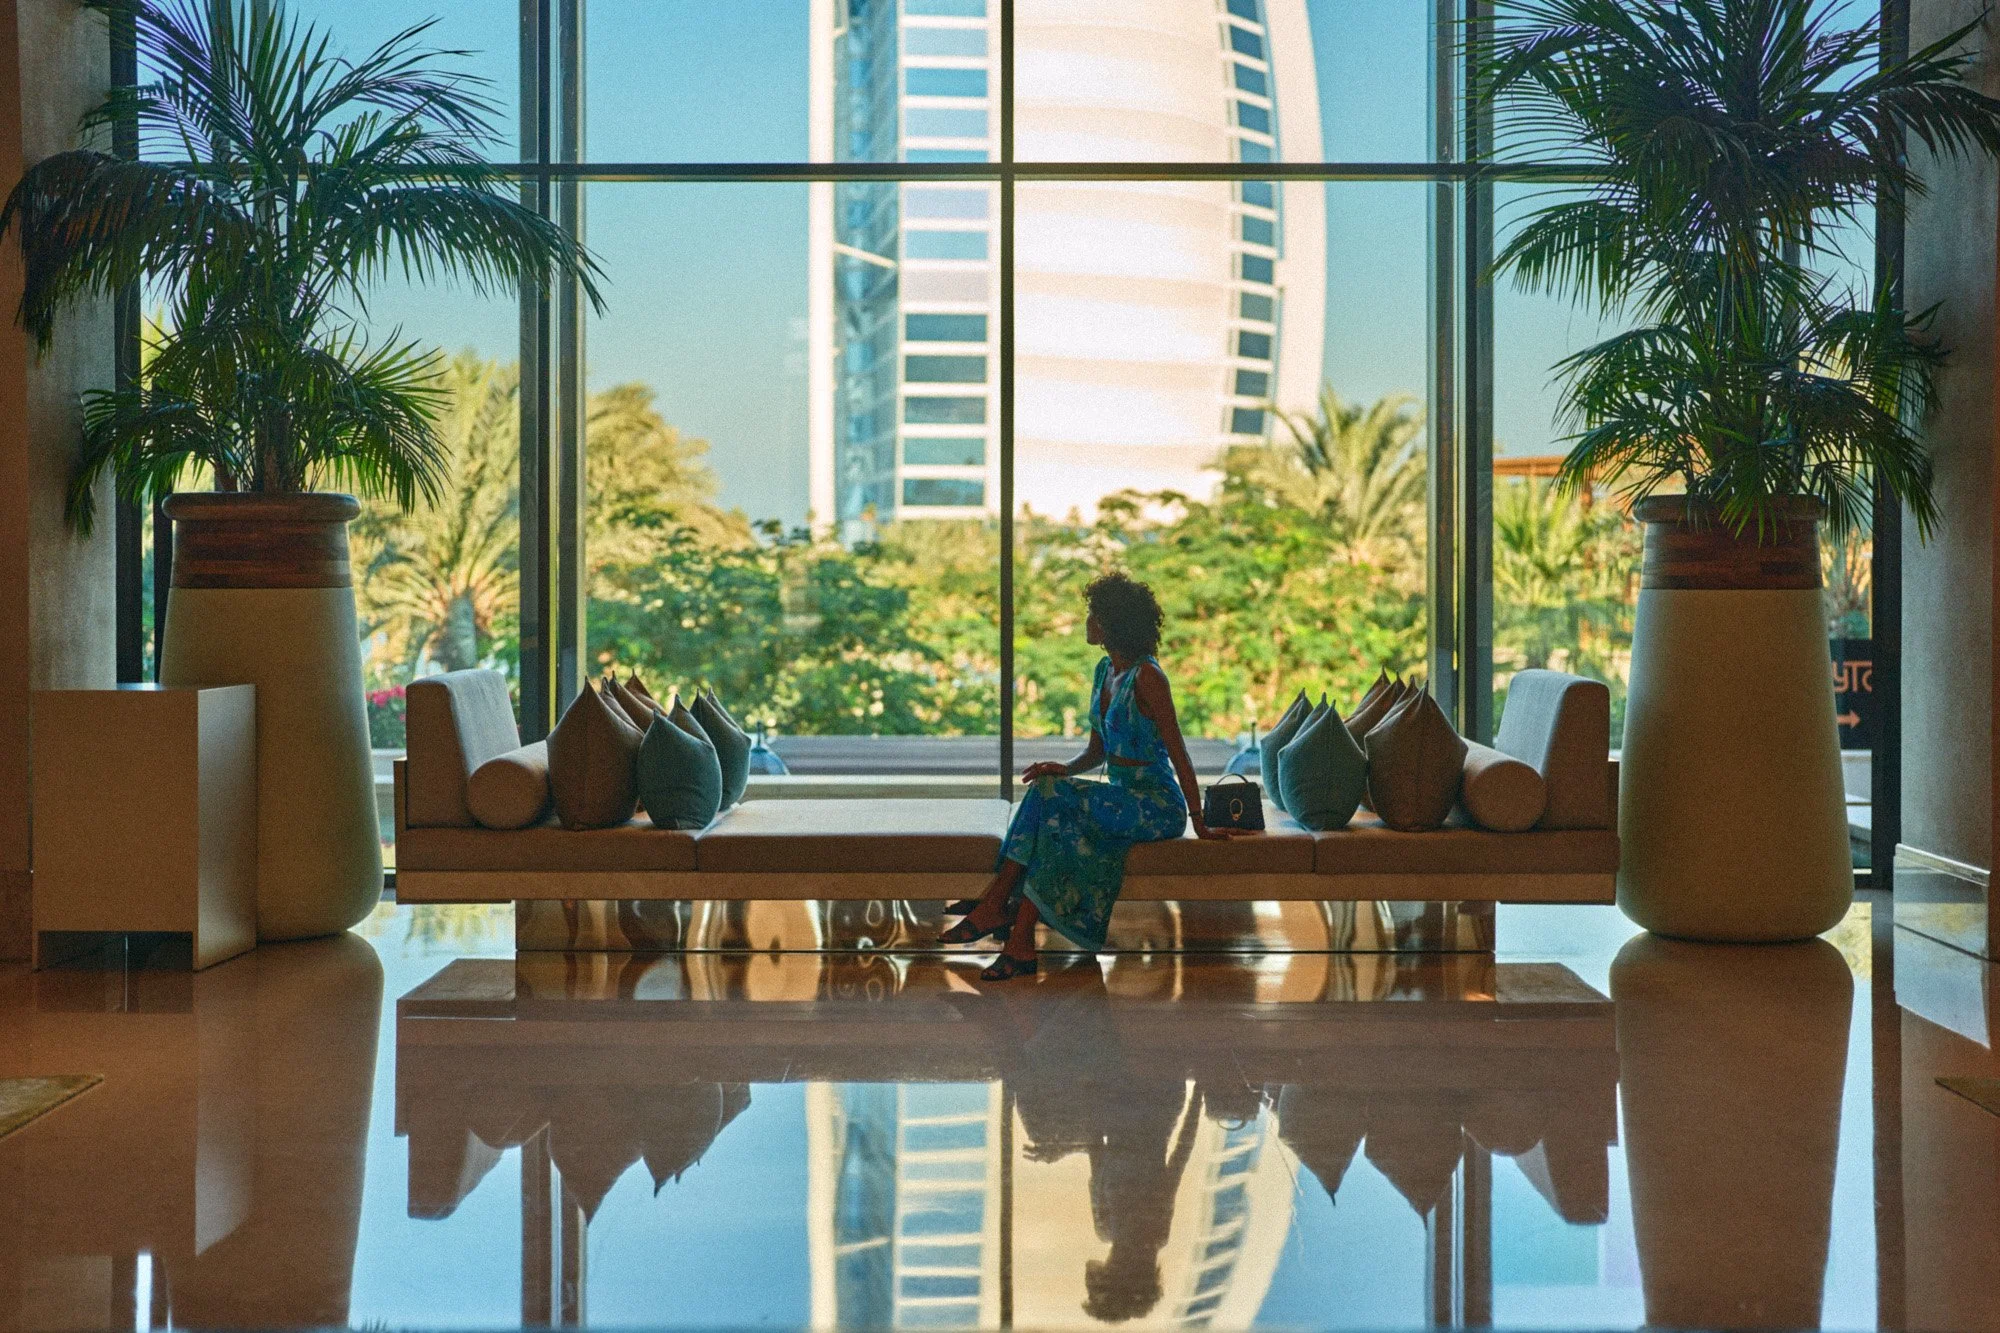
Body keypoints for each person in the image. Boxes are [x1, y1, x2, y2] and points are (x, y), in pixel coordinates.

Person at [942, 571, 1240, 981]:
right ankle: (1018, 936)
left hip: (1155, 804)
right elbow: (1097, 751)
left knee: (1053, 800)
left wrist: (1199, 822)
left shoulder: (1148, 677)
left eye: (1093, 614)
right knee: (1048, 790)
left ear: (1112, 623)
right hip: (1120, 799)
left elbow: (1179, 751)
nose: (1087, 622)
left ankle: (998, 905)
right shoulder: (1105, 672)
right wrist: (1062, 769)